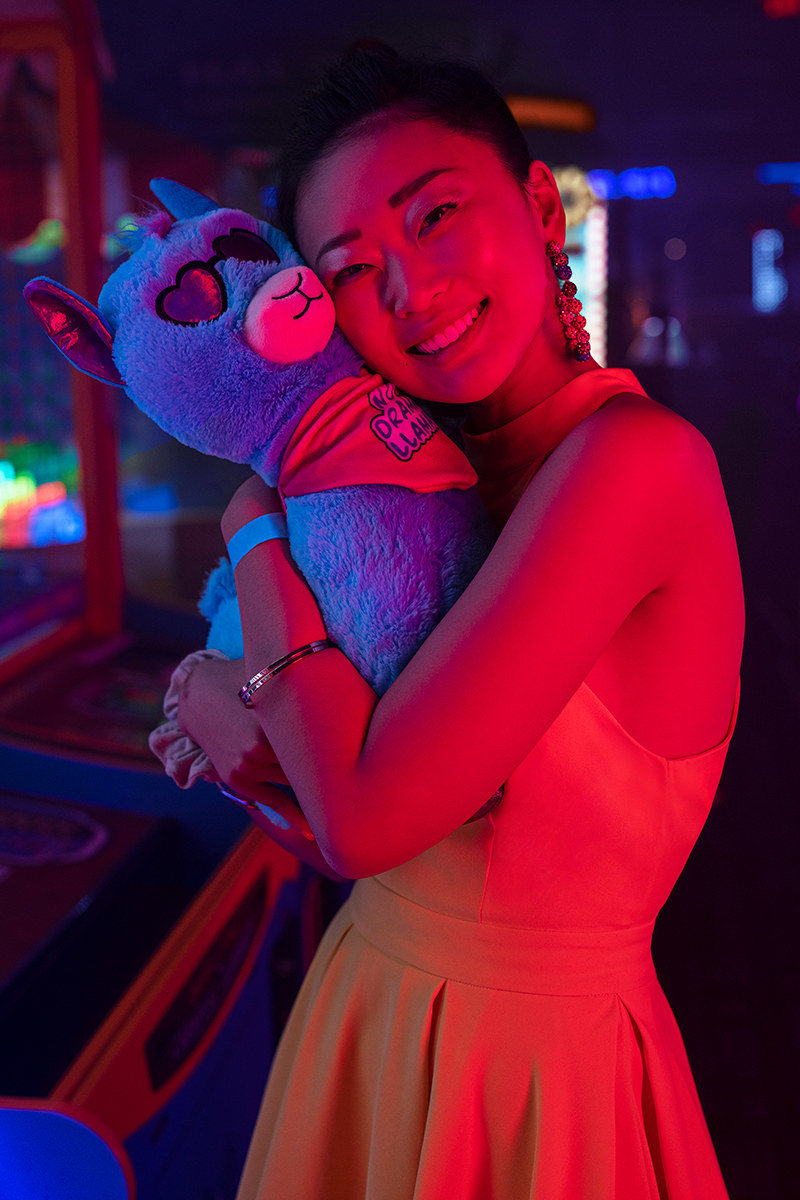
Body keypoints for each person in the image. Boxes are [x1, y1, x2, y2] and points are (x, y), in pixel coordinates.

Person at [175, 46, 744, 1200]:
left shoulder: (632, 466)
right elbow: (326, 805)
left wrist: (250, 526)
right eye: (348, 270)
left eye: (435, 216)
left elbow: (366, 818)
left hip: (531, 1074)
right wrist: (222, 699)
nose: (407, 290)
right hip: (370, 1001)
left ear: (538, 206)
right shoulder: (420, 495)